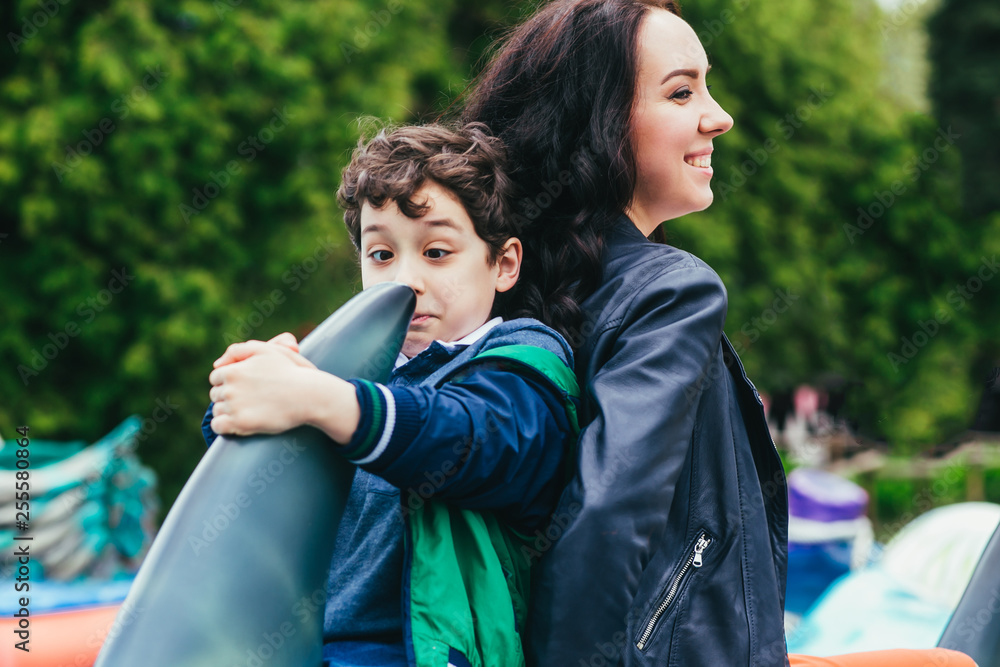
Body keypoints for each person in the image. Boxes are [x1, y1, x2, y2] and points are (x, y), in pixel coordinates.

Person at [460, 1, 977, 666]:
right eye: (682, 91)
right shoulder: (670, 292)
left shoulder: (502, 282)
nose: (720, 115)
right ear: (599, 121)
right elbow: (605, 523)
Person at [200, 123, 580, 667]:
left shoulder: (520, 358)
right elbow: (256, 490)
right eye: (381, 255)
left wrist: (324, 400)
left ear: (504, 264)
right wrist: (240, 396)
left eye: (437, 251)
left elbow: (479, 437)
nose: (406, 280)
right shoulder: (347, 369)